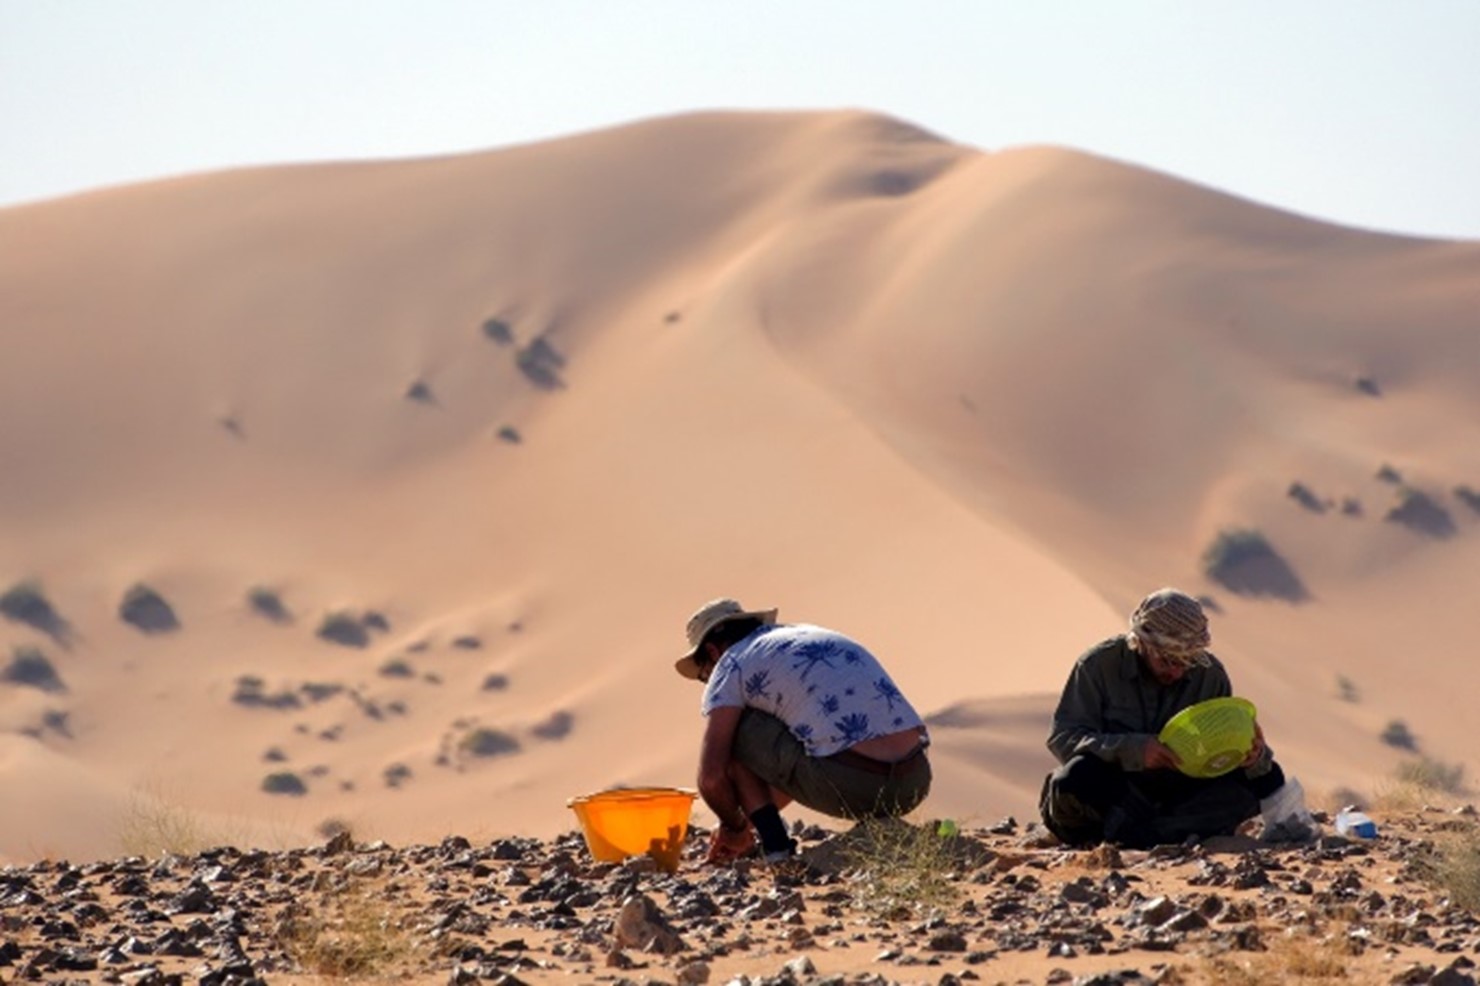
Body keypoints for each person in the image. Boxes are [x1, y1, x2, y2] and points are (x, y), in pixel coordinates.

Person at [674, 598, 932, 864]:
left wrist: (734, 828)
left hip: (858, 786)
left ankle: (777, 850)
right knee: (800, 729)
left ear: (714, 652)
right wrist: (748, 822)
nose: (707, 680)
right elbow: (794, 765)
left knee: (736, 728)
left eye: (704, 675)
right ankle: (771, 839)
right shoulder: (802, 636)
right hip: (915, 781)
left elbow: (711, 778)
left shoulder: (731, 663)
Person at [1039, 587, 1298, 848]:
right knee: (1072, 780)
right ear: (1140, 643)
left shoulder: (1210, 676)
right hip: (1120, 790)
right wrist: (1135, 750)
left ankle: (1134, 839)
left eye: (1186, 661)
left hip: (1181, 790)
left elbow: (1224, 749)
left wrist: (1252, 755)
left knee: (1262, 777)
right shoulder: (1097, 667)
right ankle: (1158, 836)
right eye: (1166, 661)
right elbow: (1064, 738)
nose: (1176, 671)